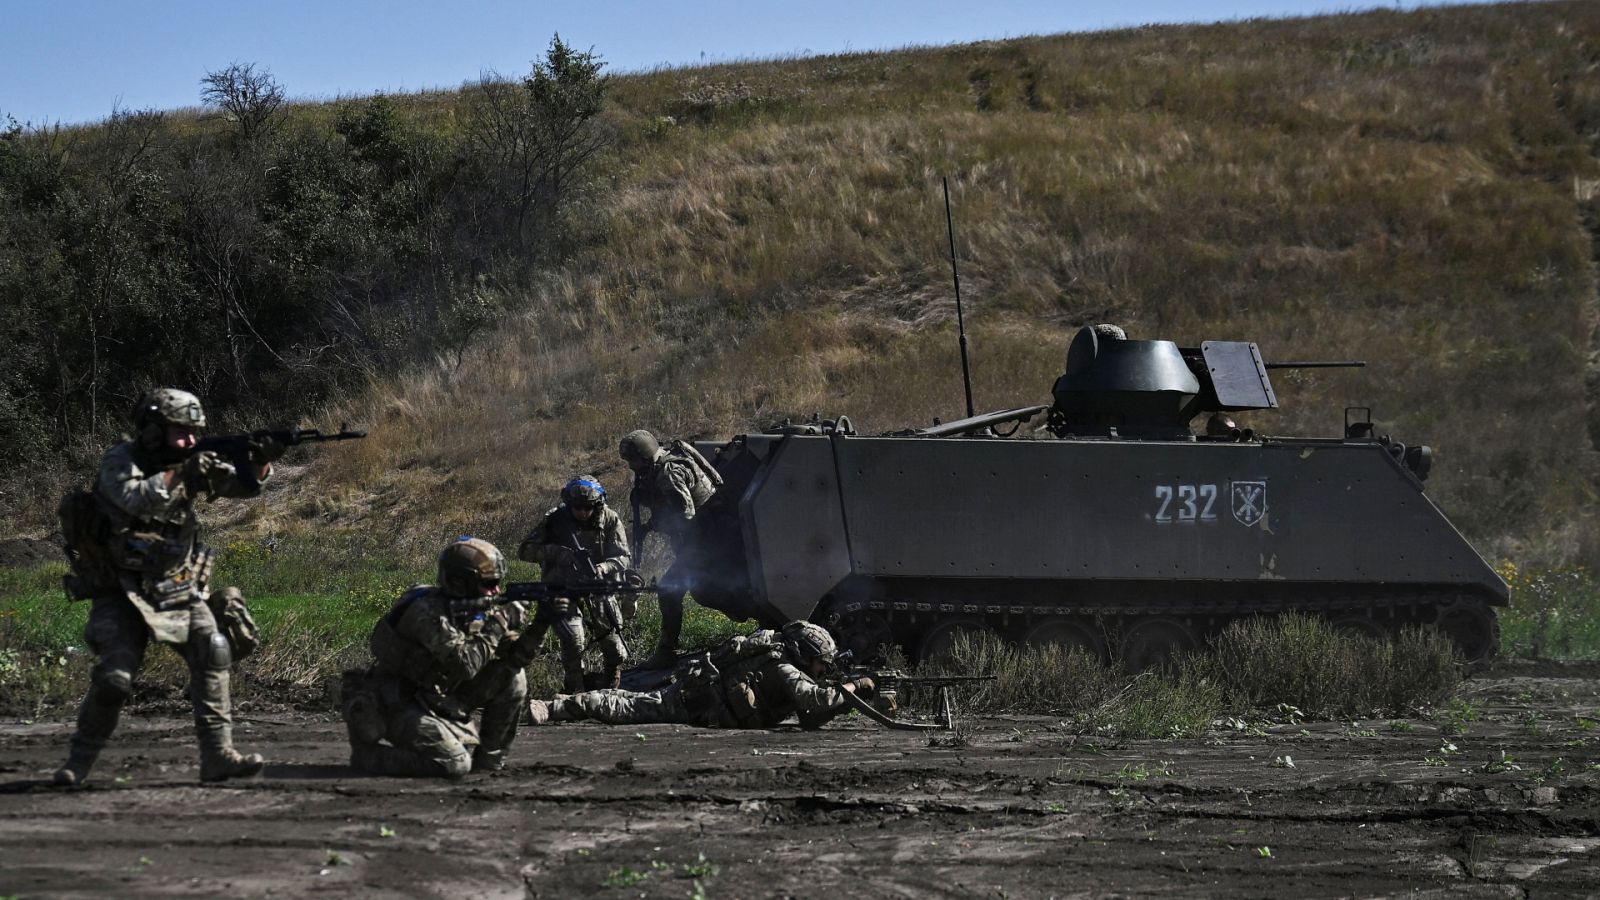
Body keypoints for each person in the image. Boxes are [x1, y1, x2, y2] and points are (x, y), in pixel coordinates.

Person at [53, 388, 282, 785]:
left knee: (213, 649)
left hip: (175, 587)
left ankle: (218, 757)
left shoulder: (187, 460)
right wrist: (182, 472)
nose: (191, 441)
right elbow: (135, 499)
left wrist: (260, 460)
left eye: (195, 432)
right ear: (154, 431)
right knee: (114, 680)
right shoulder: (121, 461)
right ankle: (78, 763)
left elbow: (243, 487)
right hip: (120, 590)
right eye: (181, 432)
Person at [341, 537, 542, 778]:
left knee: (513, 677)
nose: (497, 591)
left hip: (438, 696)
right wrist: (500, 622)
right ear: (460, 583)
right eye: (489, 584)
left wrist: (543, 622)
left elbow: (516, 657)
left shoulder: (470, 608)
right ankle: (369, 758)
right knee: (454, 764)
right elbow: (466, 665)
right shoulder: (425, 611)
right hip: (398, 703)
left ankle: (489, 762)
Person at [526, 621, 875, 730]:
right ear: (803, 653)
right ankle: (553, 708)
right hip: (692, 704)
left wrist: (846, 701)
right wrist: (856, 687)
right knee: (621, 708)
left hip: (703, 700)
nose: (823, 670)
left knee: (626, 701)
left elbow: (811, 717)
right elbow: (815, 699)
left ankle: (563, 703)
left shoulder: (785, 663)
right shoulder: (782, 666)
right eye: (820, 664)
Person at [515, 476, 631, 692]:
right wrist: (557, 553)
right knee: (573, 640)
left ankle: (610, 691)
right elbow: (525, 551)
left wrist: (604, 568)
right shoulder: (556, 519)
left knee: (615, 647)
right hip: (563, 588)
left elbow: (623, 557)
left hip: (598, 587)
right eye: (577, 507)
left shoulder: (609, 519)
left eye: (588, 507)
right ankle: (574, 692)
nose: (582, 512)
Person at [618, 429, 720, 668]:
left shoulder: (668, 473)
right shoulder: (653, 468)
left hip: (704, 541)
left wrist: (655, 524)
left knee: (668, 591)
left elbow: (685, 515)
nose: (631, 466)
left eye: (632, 460)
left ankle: (666, 652)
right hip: (698, 541)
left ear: (644, 456)